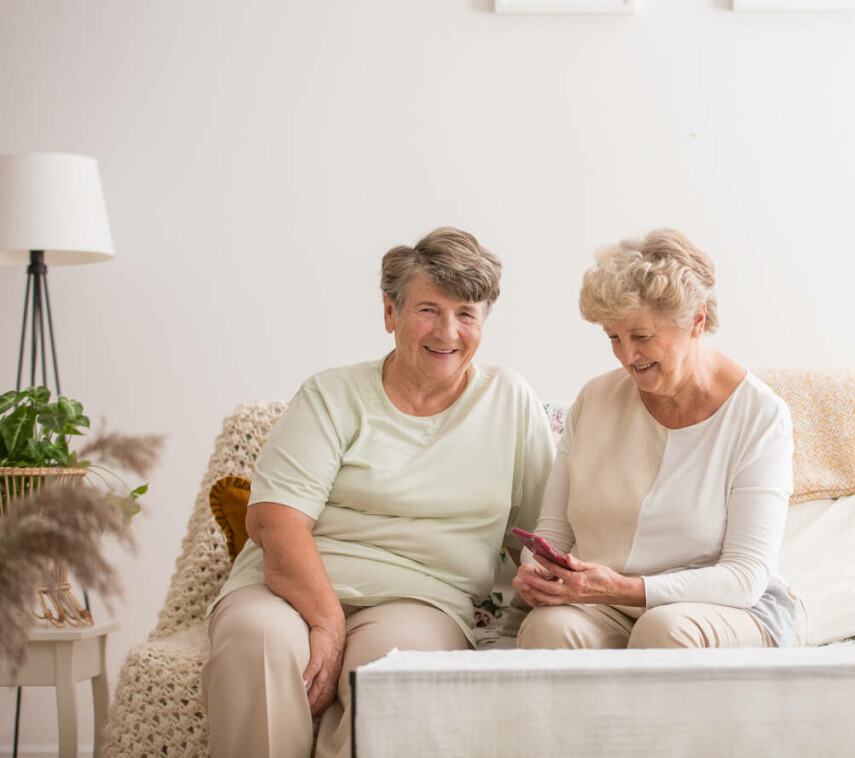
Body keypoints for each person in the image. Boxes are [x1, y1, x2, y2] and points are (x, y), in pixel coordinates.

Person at [202, 227, 554, 758]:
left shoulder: (509, 400)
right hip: (286, 589)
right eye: (428, 309)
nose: (448, 331)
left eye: (466, 313)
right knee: (258, 645)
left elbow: (541, 530)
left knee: (397, 672)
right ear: (390, 313)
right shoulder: (332, 394)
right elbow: (276, 520)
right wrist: (326, 620)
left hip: (422, 598)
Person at [513, 228, 805, 651]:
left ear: (697, 321)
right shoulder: (595, 400)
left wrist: (626, 589)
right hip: (602, 603)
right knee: (549, 629)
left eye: (642, 337)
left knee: (665, 631)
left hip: (724, 608)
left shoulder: (759, 415)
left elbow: (744, 577)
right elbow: (553, 533)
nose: (627, 356)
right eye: (614, 337)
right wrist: (537, 570)